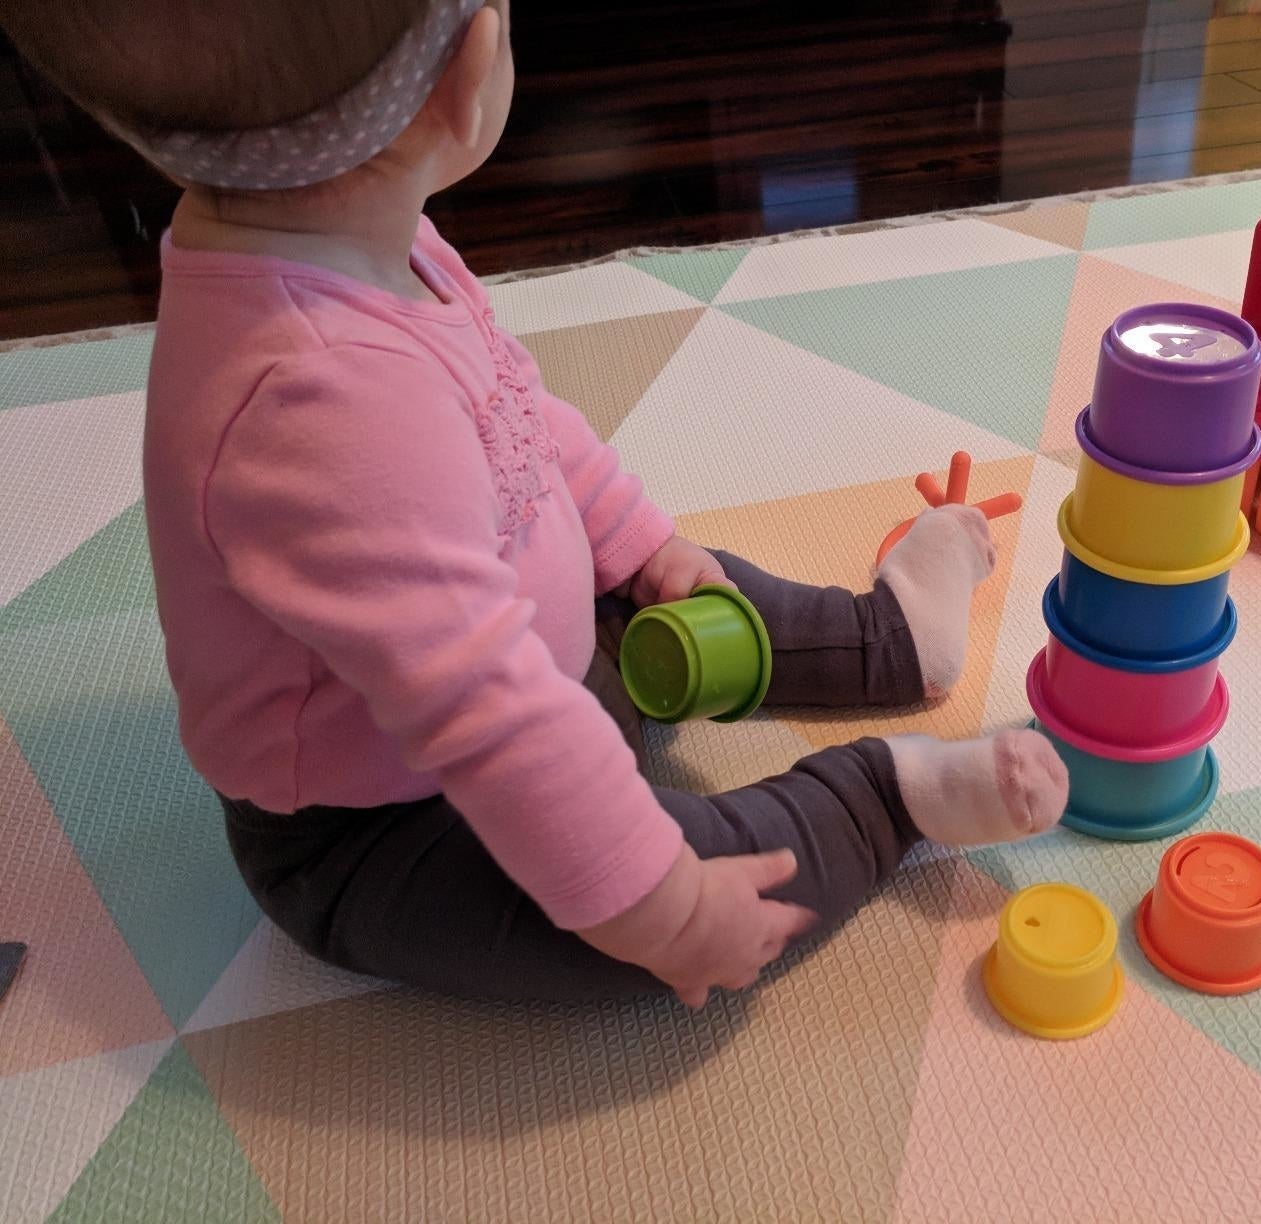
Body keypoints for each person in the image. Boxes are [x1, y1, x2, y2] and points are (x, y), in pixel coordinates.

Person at [0, 0, 1067, 1007]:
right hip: (385, 828)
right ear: (470, 70)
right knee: (676, 907)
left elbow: (520, 420)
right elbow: (489, 715)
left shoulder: (364, 243)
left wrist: (642, 548)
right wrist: (656, 906)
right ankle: (884, 798)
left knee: (672, 580)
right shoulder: (310, 405)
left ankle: (885, 640)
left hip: (521, 654)